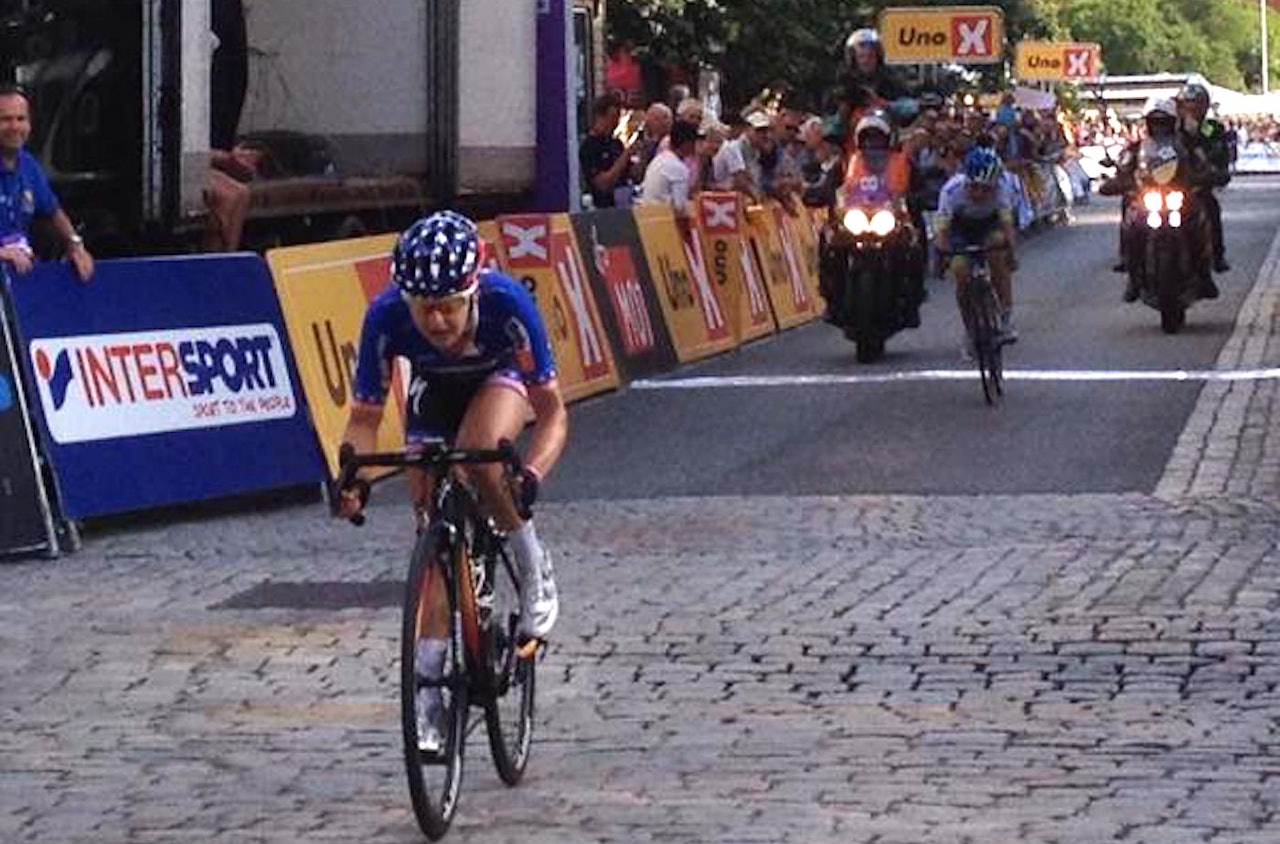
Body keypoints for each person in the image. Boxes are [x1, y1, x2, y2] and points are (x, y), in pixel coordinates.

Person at [337, 211, 567, 753]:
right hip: (434, 393)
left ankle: (533, 566)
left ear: (472, 293)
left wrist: (531, 473)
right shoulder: (386, 314)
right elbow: (364, 420)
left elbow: (553, 411)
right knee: (429, 520)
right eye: (424, 309)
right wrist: (353, 478)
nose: (437, 321)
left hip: (498, 381)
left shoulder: (507, 303)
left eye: (448, 307)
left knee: (481, 458)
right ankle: (429, 699)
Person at [1101, 97, 1214, 302]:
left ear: (1173, 122)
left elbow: (1202, 164)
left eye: (1164, 122)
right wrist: (1117, 181)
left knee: (1200, 218)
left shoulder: (1186, 145)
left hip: (1179, 196)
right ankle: (1132, 274)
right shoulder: (1136, 148)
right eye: (1156, 122)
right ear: (1148, 123)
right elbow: (1124, 167)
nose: (1160, 126)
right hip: (1149, 196)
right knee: (1131, 220)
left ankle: (1205, 272)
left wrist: (1207, 174)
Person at [0, 85, 94, 281]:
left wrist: (75, 245)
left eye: (21, 119)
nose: (15, 127)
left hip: (18, 277)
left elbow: (53, 211)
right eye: (6, 119)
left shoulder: (29, 165)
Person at [841, 112, 922, 327]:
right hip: (857, 217)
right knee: (831, 245)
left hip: (892, 216)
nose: (872, 143)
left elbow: (919, 185)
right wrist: (820, 192)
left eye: (877, 138)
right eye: (867, 138)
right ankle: (832, 295)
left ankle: (913, 301)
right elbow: (834, 186)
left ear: (887, 140)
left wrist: (917, 198)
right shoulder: (851, 160)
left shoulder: (902, 161)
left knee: (914, 248)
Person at [935, 147, 1019, 344]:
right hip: (960, 228)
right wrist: (943, 256)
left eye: (986, 189)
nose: (979, 194)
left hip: (990, 225)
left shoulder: (1003, 190)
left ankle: (1005, 316)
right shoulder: (951, 191)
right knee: (960, 270)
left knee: (998, 252)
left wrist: (1011, 254)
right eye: (974, 187)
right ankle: (970, 328)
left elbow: (1007, 227)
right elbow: (942, 233)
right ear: (966, 180)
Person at [1176, 81, 1232, 274]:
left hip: (1197, 181)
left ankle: (1218, 255)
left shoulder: (1210, 127)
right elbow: (1153, 147)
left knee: (1211, 209)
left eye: (1196, 103)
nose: (1191, 107)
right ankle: (1131, 260)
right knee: (1134, 205)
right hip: (1171, 181)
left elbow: (1217, 150)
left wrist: (1215, 170)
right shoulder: (1169, 126)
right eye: (1187, 103)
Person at [579, 93, 636, 209]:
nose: (615, 123)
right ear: (600, 117)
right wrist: (624, 157)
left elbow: (633, 174)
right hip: (603, 207)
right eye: (612, 117)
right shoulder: (589, 146)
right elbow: (602, 184)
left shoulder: (616, 143)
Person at [638, 121, 698, 217]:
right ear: (688, 144)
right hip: (664, 222)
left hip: (646, 217)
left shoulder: (658, 159)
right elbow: (679, 208)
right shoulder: (679, 169)